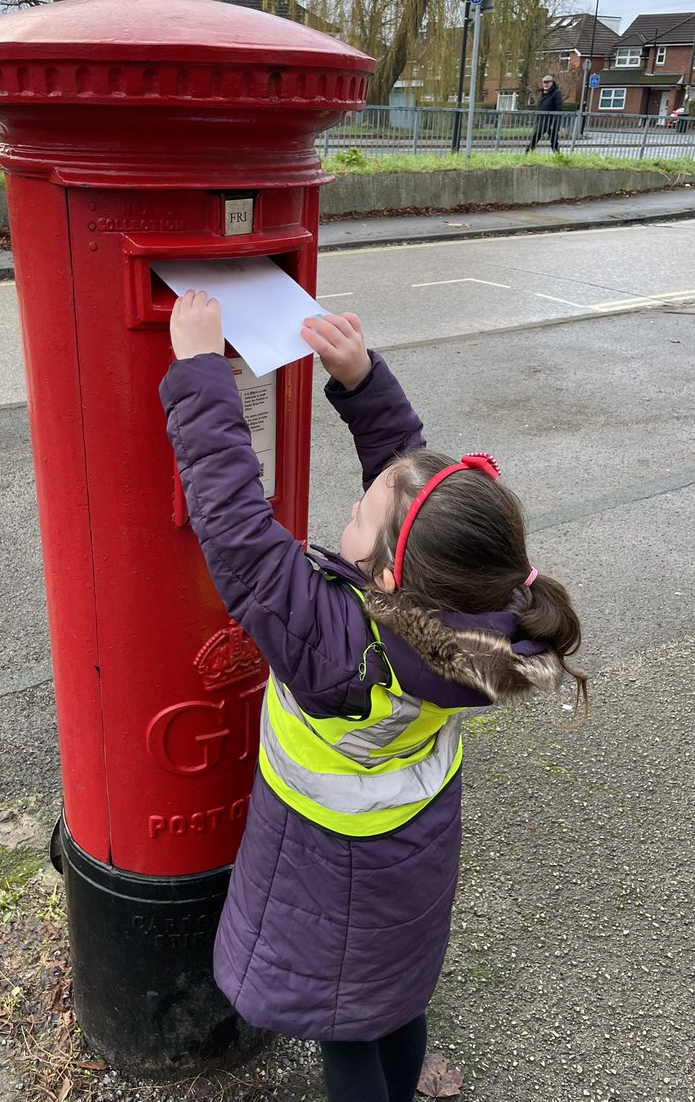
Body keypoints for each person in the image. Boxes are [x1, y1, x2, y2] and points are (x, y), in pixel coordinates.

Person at [160, 294, 585, 1102]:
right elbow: (414, 496)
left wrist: (198, 376)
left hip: (328, 866)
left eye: (357, 515)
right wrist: (362, 384)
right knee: (395, 1003)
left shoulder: (330, 641)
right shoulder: (486, 624)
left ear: (389, 577)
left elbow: (238, 530)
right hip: (412, 858)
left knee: (345, 1030)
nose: (348, 513)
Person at [526, 74, 564, 152]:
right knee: (534, 139)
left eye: (547, 82)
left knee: (554, 142)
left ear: (552, 83)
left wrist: (554, 123)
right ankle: (526, 155)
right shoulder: (542, 93)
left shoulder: (556, 93)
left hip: (551, 122)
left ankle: (559, 157)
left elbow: (559, 108)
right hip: (541, 121)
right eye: (544, 83)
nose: (545, 84)